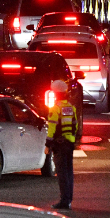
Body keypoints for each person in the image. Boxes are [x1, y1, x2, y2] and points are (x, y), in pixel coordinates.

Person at [46, 80, 78, 210]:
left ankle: (64, 201)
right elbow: (75, 126)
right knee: (69, 172)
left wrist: (47, 145)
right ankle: (68, 199)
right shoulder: (71, 108)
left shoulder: (55, 109)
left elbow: (52, 129)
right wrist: (72, 140)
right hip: (69, 144)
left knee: (62, 173)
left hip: (59, 145)